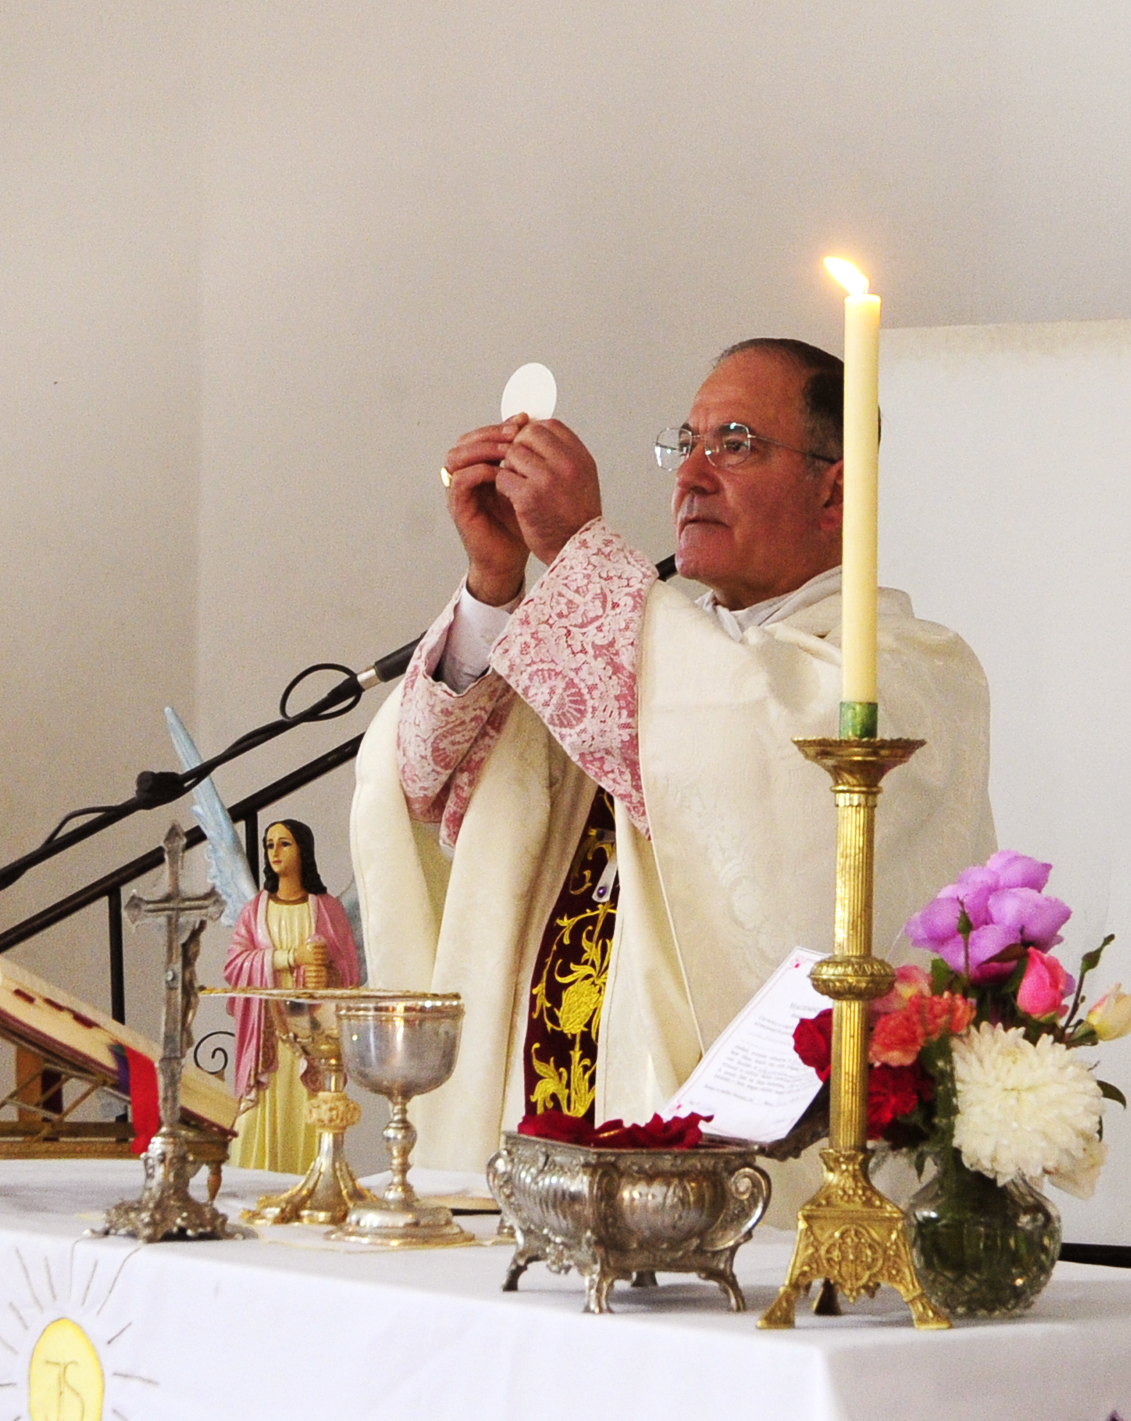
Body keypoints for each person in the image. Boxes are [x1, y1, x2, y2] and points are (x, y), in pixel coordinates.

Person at [348, 338, 995, 1171]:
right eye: (685, 445)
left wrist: (581, 550)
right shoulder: (634, 657)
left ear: (836, 493)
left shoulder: (910, 671)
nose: (690, 476)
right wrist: (494, 588)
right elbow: (425, 778)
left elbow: (752, 765)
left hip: (724, 1191)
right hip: (529, 1153)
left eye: (735, 445)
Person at [221, 819, 362, 1173]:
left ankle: (315, 1180)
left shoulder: (326, 908)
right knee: (256, 1114)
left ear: (303, 850)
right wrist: (288, 958)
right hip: (267, 1030)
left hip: (311, 1031)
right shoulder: (255, 910)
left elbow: (349, 974)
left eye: (284, 844)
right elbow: (235, 965)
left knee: (311, 1107)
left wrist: (326, 973)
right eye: (270, 845)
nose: (275, 853)